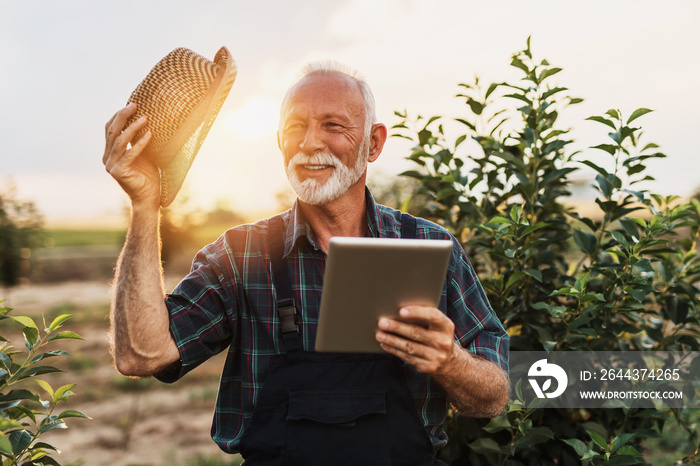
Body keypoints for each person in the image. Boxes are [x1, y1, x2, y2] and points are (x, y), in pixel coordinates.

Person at [103, 61, 509, 465]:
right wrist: (144, 206)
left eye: (333, 125)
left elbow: (493, 397)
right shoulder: (240, 254)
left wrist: (451, 362)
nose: (310, 142)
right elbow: (141, 355)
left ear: (373, 143)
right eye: (296, 127)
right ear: (280, 141)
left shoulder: (428, 245)